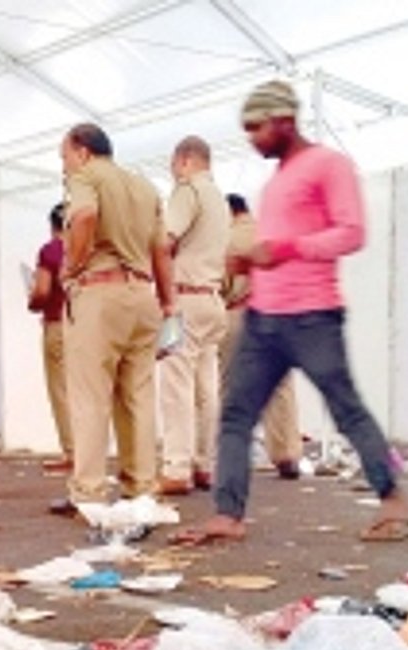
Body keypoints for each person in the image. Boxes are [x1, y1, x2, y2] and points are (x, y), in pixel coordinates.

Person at [175, 81, 408, 544]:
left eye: (256, 128)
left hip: (313, 316)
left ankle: (394, 498)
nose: (251, 138)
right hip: (264, 318)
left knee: (347, 411)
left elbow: (352, 232)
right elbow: (275, 252)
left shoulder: (329, 164)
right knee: (236, 415)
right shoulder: (276, 181)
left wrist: (286, 249)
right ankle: (228, 514)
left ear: (284, 121)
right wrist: (252, 262)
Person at [51, 123, 174, 515]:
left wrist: (73, 265)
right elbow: (162, 251)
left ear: (82, 151)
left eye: (65, 157)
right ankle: (141, 489)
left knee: (90, 396)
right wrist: (168, 304)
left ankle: (88, 492)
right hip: (143, 296)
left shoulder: (85, 177)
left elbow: (85, 216)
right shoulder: (145, 187)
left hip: (100, 295)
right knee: (138, 396)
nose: (64, 167)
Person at [158, 136, 230, 496]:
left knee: (176, 387)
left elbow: (165, 240)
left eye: (173, 164)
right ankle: (206, 465)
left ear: (184, 159)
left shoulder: (188, 192)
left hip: (184, 300)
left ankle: (176, 467)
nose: (172, 172)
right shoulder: (219, 199)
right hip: (213, 300)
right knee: (207, 389)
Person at [222, 193, 302, 479]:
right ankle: (287, 454)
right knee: (280, 387)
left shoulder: (228, 238)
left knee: (228, 387)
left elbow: (223, 282)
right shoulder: (270, 231)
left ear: (228, 213)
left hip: (239, 313)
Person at [28, 202, 73, 473]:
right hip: (87, 328)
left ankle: (72, 452)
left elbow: (42, 292)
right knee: (86, 393)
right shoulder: (90, 250)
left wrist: (32, 301)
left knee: (61, 391)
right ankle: (90, 453)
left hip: (58, 324)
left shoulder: (51, 251)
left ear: (53, 226)